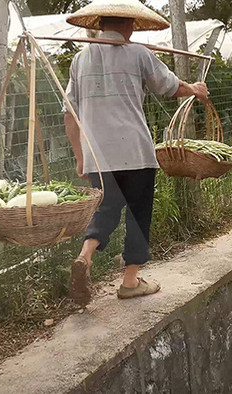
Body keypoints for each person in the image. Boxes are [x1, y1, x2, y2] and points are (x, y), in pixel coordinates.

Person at [63, 0, 209, 304]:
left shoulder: (80, 61)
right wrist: (194, 88)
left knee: (105, 209)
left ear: (100, 24)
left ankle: (85, 255)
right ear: (129, 25)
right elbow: (170, 86)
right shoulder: (139, 54)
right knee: (138, 213)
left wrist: (80, 156)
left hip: (98, 156)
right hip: (135, 152)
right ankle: (130, 281)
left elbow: (70, 114)